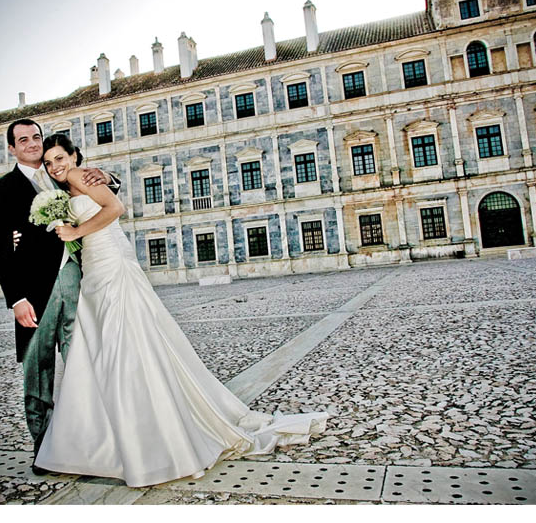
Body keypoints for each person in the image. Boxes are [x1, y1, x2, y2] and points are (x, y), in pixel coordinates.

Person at [34, 134, 329, 488]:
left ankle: (139, 440)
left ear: (74, 155)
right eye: (50, 162)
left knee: (122, 343)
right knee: (107, 345)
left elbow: (116, 210)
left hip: (111, 262)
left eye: (60, 158)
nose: (56, 166)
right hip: (95, 267)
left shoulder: (82, 176)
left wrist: (76, 230)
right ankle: (116, 434)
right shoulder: (66, 188)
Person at [0, 119, 120, 475]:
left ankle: (91, 442)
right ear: (11, 149)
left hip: (76, 279)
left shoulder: (59, 173)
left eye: (36, 137)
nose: (32, 143)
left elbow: (96, 190)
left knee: (86, 365)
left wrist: (107, 176)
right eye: (22, 140)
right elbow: (1, 246)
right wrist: (16, 299)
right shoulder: (3, 188)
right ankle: (44, 448)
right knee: (38, 370)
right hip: (34, 294)